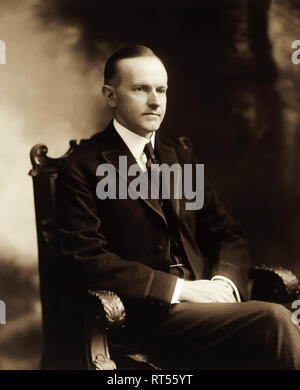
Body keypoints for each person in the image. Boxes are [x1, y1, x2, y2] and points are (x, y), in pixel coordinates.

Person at [56, 45, 300, 370]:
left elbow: (227, 233)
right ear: (110, 96)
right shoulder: (83, 166)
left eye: (161, 90)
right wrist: (180, 290)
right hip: (141, 316)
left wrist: (222, 285)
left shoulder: (180, 160)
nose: (155, 101)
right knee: (275, 319)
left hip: (207, 310)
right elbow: (86, 259)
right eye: (141, 89)